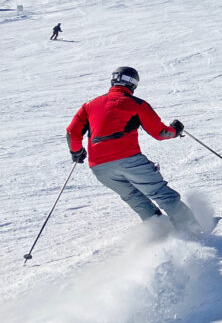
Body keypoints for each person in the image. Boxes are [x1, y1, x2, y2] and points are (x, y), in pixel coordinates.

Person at [66, 67, 201, 233]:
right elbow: (160, 133)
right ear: (133, 84)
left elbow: (72, 132)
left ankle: (162, 232)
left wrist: (76, 152)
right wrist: (175, 131)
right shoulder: (136, 104)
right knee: (161, 194)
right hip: (129, 160)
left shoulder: (89, 105)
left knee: (134, 198)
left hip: (100, 168)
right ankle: (193, 232)